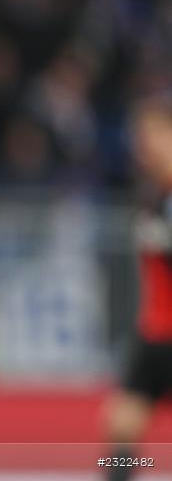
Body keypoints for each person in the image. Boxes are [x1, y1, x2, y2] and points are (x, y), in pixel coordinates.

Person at [103, 95, 172, 481]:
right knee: (120, 428)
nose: (142, 144)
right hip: (155, 333)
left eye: (152, 134)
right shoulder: (154, 193)